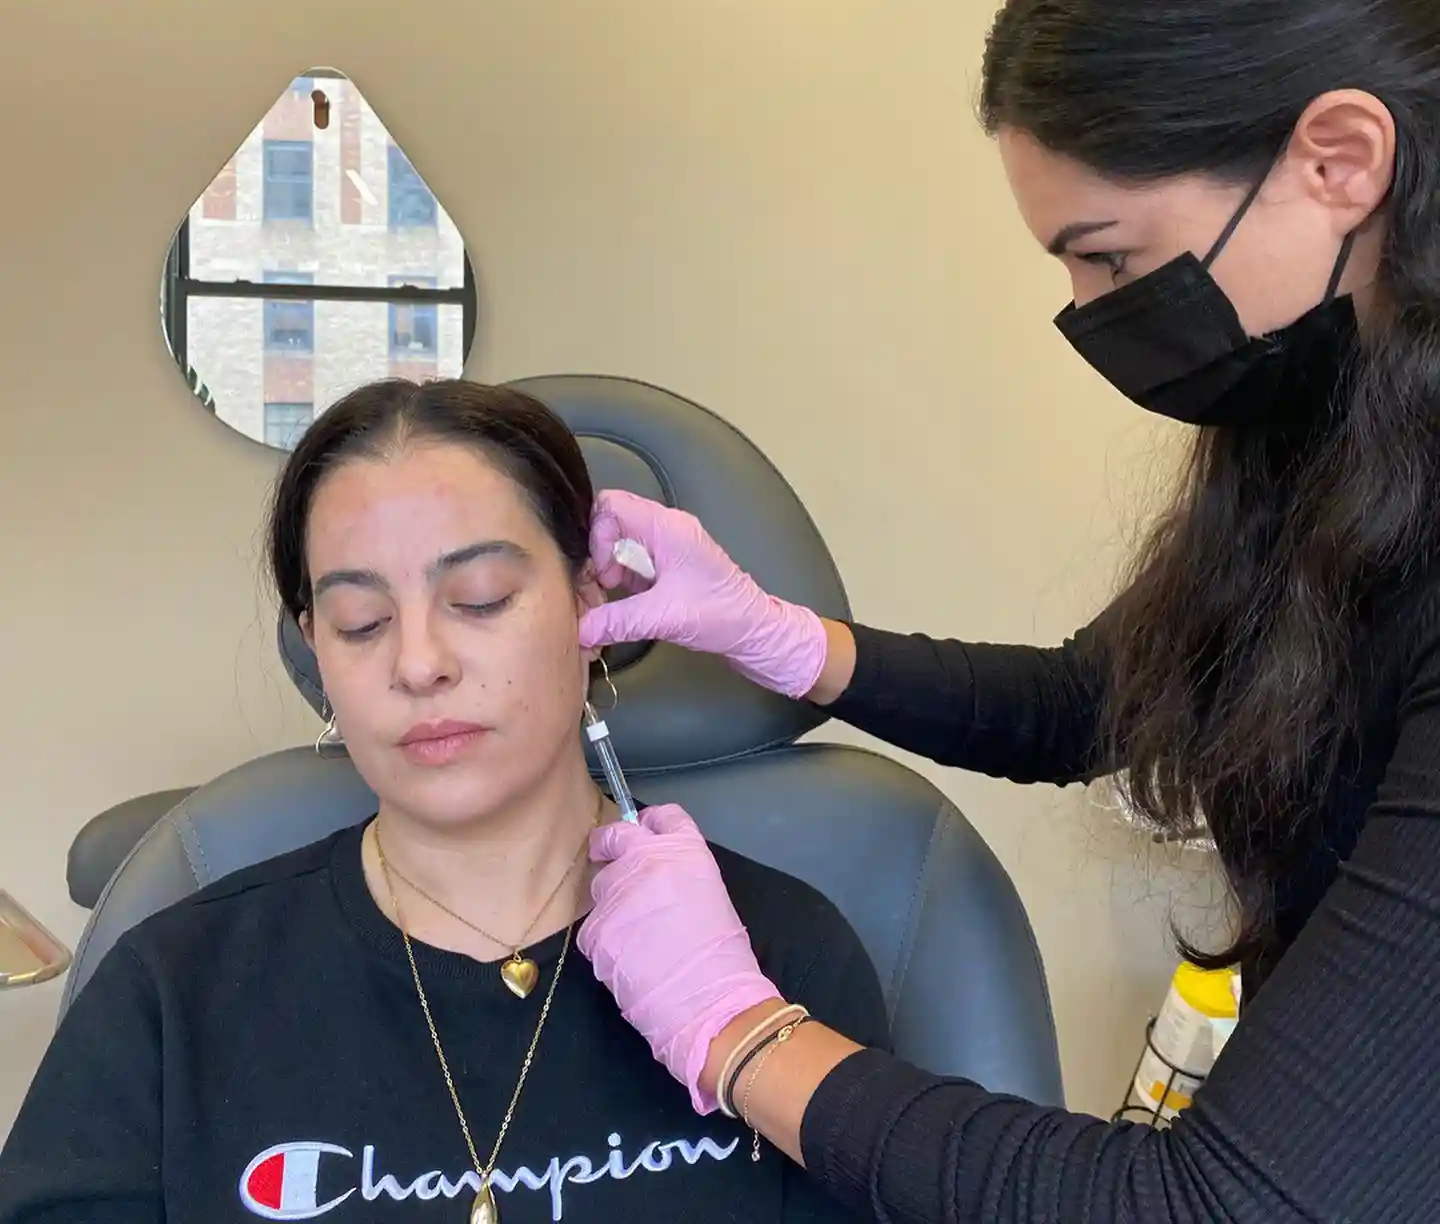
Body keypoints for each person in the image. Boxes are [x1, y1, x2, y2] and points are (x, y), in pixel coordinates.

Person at [568, 0, 1440, 1224]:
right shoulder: (1331, 426)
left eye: (1111, 258)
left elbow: (1223, 1211)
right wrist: (785, 639)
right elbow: (1113, 701)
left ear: (1340, 159)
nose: (1090, 319)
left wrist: (734, 1030)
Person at [0, 379, 887, 1224]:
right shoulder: (173, 991)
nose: (419, 663)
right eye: (361, 623)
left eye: (480, 599)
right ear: (318, 649)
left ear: (591, 598)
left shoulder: (782, 960)